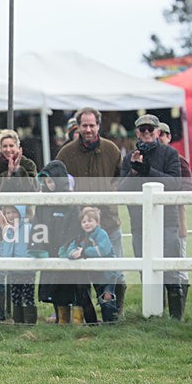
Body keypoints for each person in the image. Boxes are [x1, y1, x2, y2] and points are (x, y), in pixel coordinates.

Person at [56, 107, 126, 319]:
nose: (88, 129)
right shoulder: (66, 153)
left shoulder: (112, 150)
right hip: (80, 225)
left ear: (98, 125)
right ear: (77, 126)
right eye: (84, 125)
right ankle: (88, 317)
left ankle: (115, 315)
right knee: (82, 272)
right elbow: (58, 184)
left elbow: (119, 179)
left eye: (92, 125)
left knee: (116, 271)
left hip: (109, 221)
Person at [118, 114, 184, 321]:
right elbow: (121, 191)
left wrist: (148, 170)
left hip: (167, 221)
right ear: (137, 132)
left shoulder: (170, 153)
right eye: (142, 130)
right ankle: (153, 315)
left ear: (157, 132)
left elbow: (174, 183)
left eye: (150, 130)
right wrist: (134, 173)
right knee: (145, 270)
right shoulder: (129, 157)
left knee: (171, 270)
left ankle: (175, 318)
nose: (146, 133)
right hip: (139, 223)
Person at [0, 129, 38, 319]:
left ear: (18, 147)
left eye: (12, 145)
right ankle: (1, 310)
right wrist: (7, 175)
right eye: (5, 146)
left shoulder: (28, 164)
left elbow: (33, 188)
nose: (9, 149)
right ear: (0, 148)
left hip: (24, 221)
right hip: (0, 221)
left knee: (22, 262)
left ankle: (24, 307)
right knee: (0, 262)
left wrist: (18, 172)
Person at [31, 160, 80, 324]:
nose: (48, 185)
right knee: (52, 287)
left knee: (68, 287)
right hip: (49, 249)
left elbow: (75, 228)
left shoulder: (72, 203)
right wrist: (38, 246)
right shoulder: (43, 203)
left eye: (51, 181)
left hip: (65, 251)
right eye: (46, 182)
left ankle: (70, 319)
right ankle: (60, 317)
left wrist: (67, 246)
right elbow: (37, 224)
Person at [59, 207, 116, 323]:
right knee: (97, 297)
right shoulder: (81, 236)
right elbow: (69, 249)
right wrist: (73, 253)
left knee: (107, 298)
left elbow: (103, 250)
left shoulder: (101, 234)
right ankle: (93, 322)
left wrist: (83, 252)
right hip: (94, 274)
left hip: (107, 273)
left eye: (90, 221)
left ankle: (110, 323)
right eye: (84, 222)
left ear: (97, 222)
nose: (87, 224)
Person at [159, 121, 192, 304]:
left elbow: (188, 188)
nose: (159, 138)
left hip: (177, 222)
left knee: (179, 265)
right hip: (154, 223)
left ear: (169, 137)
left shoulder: (178, 160)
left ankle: (179, 308)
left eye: (163, 134)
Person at [0, 205, 36, 324]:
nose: (11, 215)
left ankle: (30, 322)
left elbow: (34, 246)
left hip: (28, 270)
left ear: (21, 213)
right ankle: (18, 321)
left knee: (28, 296)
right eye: (8, 213)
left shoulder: (29, 228)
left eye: (14, 212)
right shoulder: (6, 230)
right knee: (16, 296)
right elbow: (3, 248)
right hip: (12, 270)